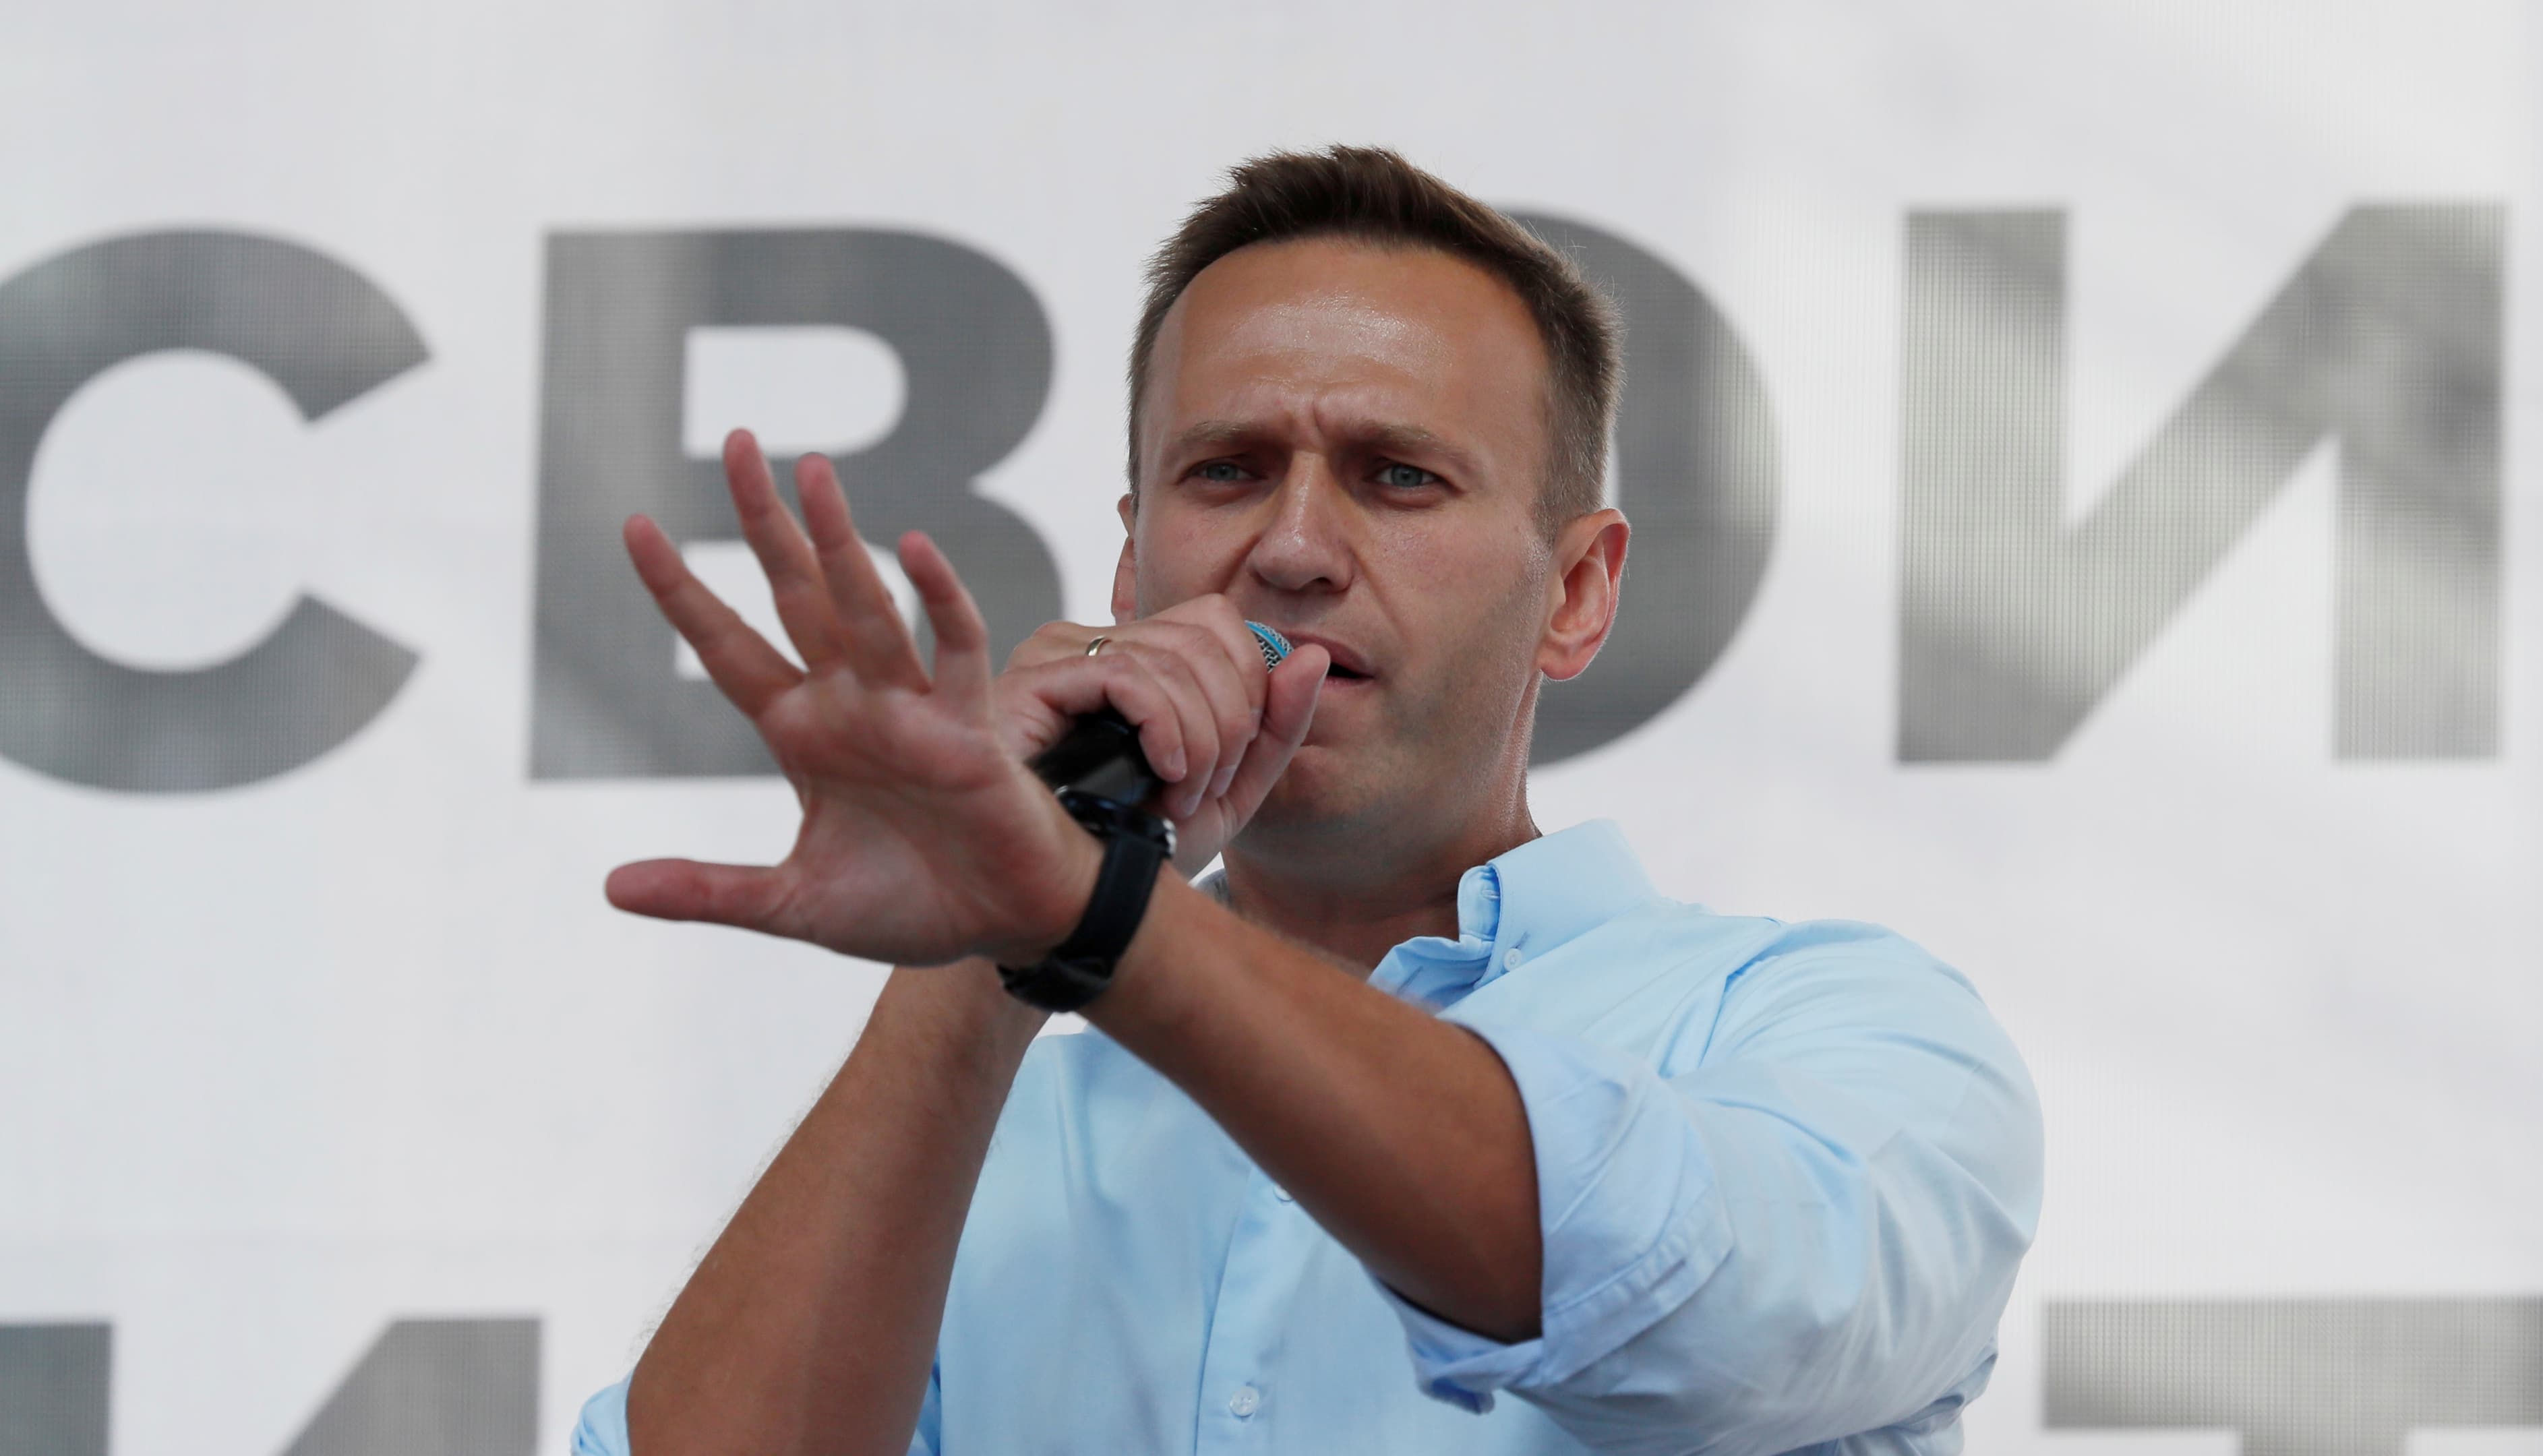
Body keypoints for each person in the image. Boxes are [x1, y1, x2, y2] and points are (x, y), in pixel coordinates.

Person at [572, 146, 2041, 1455]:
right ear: (1134, 562)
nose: (1290, 549)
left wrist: (1100, 922)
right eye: (1227, 471)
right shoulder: (974, 1138)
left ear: (1578, 593)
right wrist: (976, 953)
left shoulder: (1837, 1036)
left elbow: (1684, 1319)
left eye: (1399, 478)